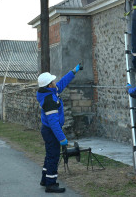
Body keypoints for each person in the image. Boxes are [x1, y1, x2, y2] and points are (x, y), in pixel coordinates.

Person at [36, 64, 83, 193]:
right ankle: (51, 184)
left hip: (48, 130)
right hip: (51, 131)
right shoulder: (49, 100)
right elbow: (54, 123)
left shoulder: (50, 91)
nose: (55, 82)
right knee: (54, 156)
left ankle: (45, 179)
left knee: (49, 155)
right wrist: (62, 138)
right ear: (49, 85)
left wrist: (73, 72)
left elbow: (62, 83)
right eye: (53, 81)